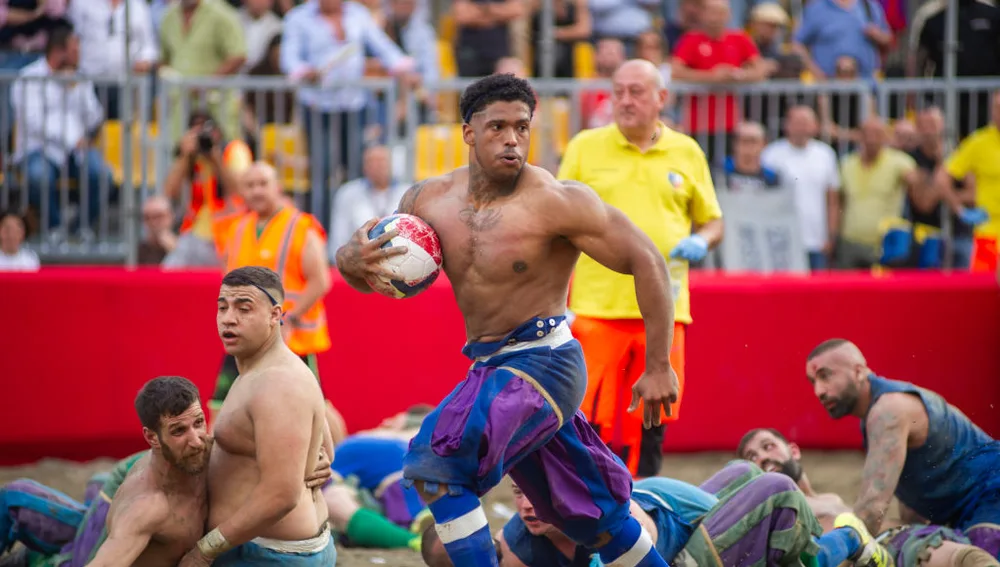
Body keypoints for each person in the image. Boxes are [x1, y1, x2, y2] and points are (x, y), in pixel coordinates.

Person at [335, 72, 680, 567]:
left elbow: (648, 259)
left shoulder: (557, 200)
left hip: (547, 361)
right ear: (469, 133)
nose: (512, 138)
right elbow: (366, 264)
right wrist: (350, 258)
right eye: (497, 126)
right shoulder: (426, 202)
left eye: (522, 126)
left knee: (438, 464)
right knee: (592, 516)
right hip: (492, 365)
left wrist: (659, 364)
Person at [558, 58, 723, 478]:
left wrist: (701, 241)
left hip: (665, 312)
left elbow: (713, 219)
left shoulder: (687, 151)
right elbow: (558, 217)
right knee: (589, 416)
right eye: (618, 91)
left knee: (653, 417)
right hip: (597, 307)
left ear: (661, 98)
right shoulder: (584, 146)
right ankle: (588, 505)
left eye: (636, 91)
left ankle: (644, 505)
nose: (625, 100)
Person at [0, 376, 332, 567]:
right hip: (127, 497)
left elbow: (282, 447)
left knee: (95, 489)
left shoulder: (208, 448)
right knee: (16, 499)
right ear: (151, 438)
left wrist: (313, 460)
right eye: (178, 431)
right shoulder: (149, 508)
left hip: (122, 479)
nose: (195, 440)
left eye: (198, 422)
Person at [422, 462, 893, 567]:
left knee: (771, 486)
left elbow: (641, 540)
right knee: (749, 472)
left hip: (682, 535)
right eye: (517, 492)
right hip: (674, 512)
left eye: (534, 495)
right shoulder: (516, 543)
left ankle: (847, 536)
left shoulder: (601, 515)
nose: (525, 505)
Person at [179, 266, 336, 566]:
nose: (229, 318)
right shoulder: (262, 370)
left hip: (269, 554)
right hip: (268, 549)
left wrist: (205, 550)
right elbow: (325, 451)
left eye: (244, 308)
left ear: (275, 315)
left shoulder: (278, 383)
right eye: (222, 307)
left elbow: (281, 494)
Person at [806, 338, 1000, 558]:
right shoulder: (876, 417)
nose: (818, 391)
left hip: (992, 492)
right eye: (812, 381)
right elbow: (912, 509)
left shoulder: (888, 411)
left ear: (859, 371)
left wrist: (831, 557)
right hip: (966, 509)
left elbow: (870, 511)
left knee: (979, 556)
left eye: (825, 376)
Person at [738, 428, 1000, 567]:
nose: (761, 457)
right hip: (880, 553)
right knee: (970, 560)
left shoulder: (829, 497)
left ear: (793, 451)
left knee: (976, 555)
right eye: (752, 458)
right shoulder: (774, 509)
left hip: (904, 540)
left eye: (767, 446)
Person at [212, 162, 332, 425]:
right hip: (244, 335)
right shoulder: (237, 228)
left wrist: (287, 319)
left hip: (292, 338)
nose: (256, 191)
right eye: (250, 185)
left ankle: (328, 463)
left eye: (263, 184)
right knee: (223, 406)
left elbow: (320, 281)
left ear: (277, 187)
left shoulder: (301, 226)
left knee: (310, 410)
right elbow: (227, 279)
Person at [323, 405, 433, 551]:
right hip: (445, 486)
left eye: (393, 418)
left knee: (331, 496)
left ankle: (413, 541)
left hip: (408, 487)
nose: (386, 420)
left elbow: (320, 481)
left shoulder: (363, 441)